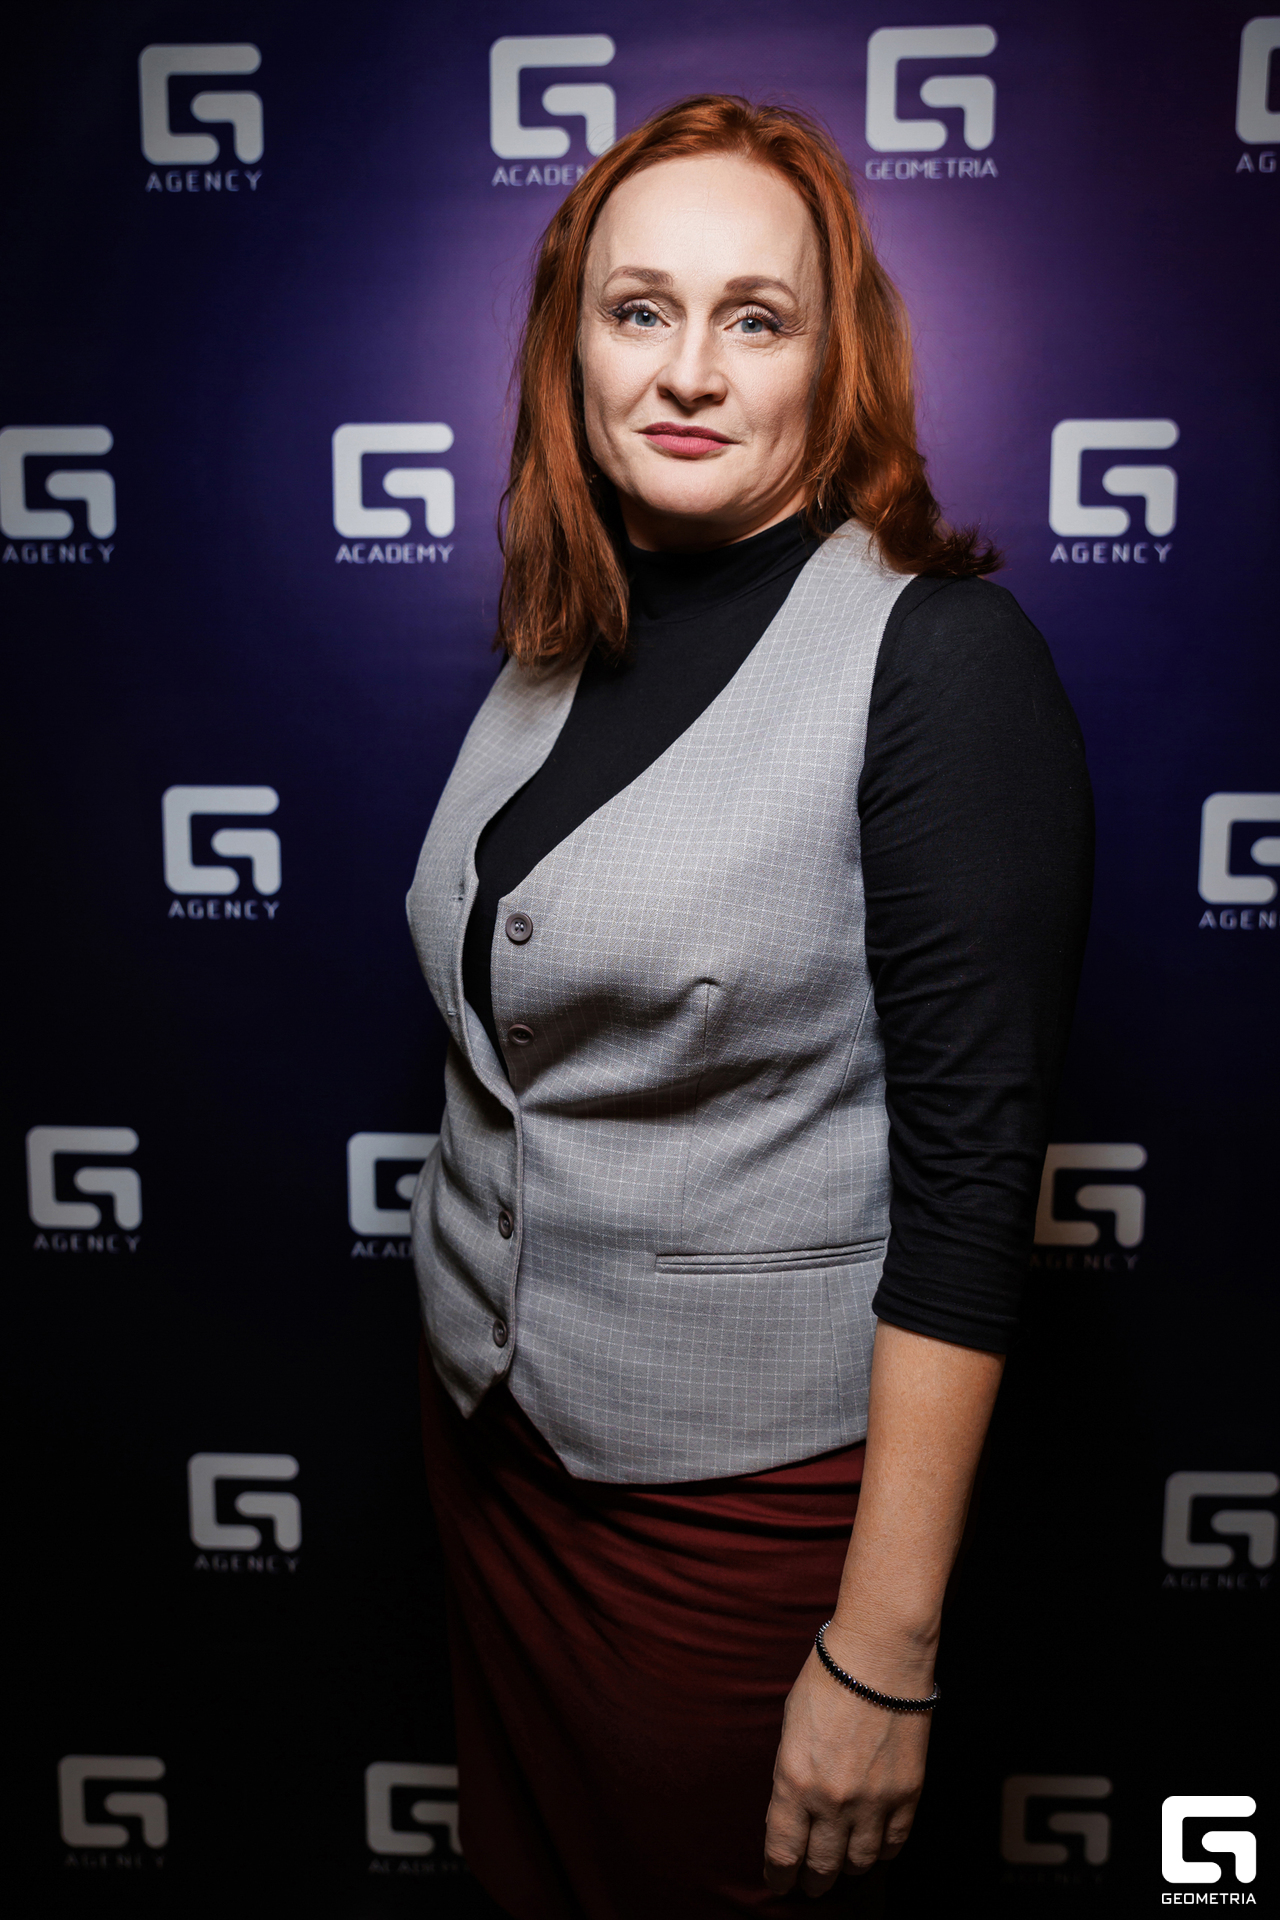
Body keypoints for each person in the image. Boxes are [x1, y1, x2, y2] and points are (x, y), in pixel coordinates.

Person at [405, 95, 1093, 1919]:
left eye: (755, 317)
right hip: (491, 1460)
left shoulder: (939, 660)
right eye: (640, 311)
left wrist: (883, 1653)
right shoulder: (566, 625)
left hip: (739, 1519)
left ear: (832, 358)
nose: (690, 370)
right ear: (572, 348)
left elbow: (972, 1189)